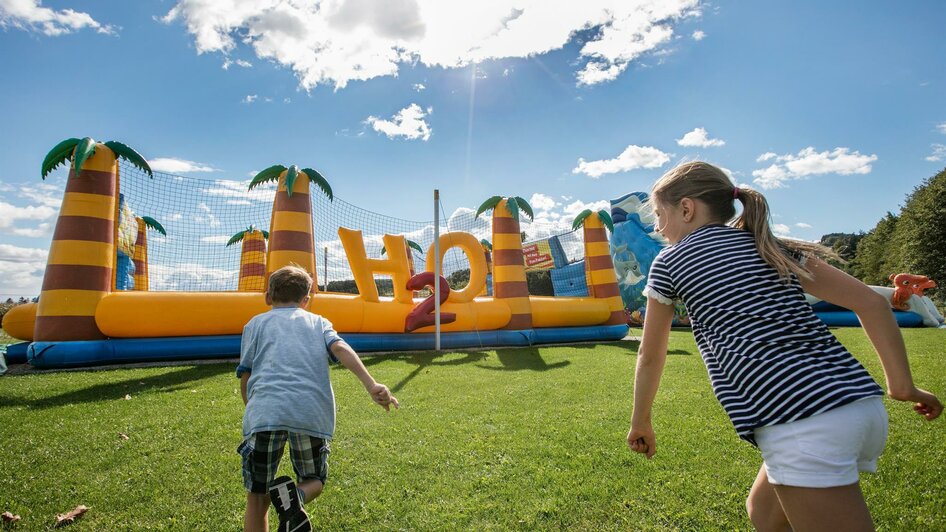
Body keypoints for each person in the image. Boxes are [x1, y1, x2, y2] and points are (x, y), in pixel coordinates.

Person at [626, 161, 941, 531]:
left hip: (801, 421)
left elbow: (650, 353)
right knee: (764, 513)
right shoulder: (768, 245)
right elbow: (872, 303)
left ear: (686, 208)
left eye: (660, 216)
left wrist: (641, 420)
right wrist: (902, 385)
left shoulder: (670, 261)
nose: (659, 229)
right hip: (857, 404)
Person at [237, 264, 399, 532]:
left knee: (257, 496)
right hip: (310, 414)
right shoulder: (318, 322)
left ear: (268, 297)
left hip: (265, 414)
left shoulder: (254, 325)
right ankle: (296, 497)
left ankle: (286, 500)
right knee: (314, 480)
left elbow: (246, 375)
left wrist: (252, 410)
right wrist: (371, 384)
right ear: (306, 300)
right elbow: (340, 347)